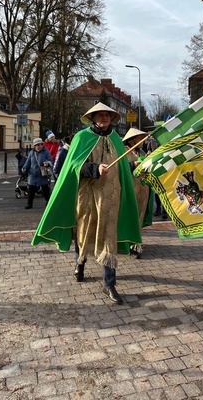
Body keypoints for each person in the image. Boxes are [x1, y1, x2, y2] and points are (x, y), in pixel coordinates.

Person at [31, 103, 141, 305]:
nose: (103, 118)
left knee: (109, 235)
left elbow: (123, 166)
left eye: (107, 115)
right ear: (92, 118)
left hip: (111, 197)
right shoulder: (82, 138)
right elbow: (73, 165)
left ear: (111, 118)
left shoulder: (117, 139)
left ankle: (109, 283)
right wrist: (94, 168)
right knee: (83, 231)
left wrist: (135, 165)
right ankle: (80, 263)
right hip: (87, 195)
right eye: (99, 115)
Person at [122, 127, 154, 258]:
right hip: (130, 189)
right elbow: (120, 167)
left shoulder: (141, 152)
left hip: (143, 190)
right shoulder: (123, 152)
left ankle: (136, 241)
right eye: (140, 138)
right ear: (132, 139)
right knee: (129, 215)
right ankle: (129, 243)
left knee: (139, 216)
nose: (143, 141)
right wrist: (133, 164)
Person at [22, 138, 52, 209]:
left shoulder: (46, 152)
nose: (40, 146)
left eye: (41, 144)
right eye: (37, 145)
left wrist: (48, 163)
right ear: (34, 146)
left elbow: (51, 161)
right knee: (31, 190)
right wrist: (24, 168)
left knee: (45, 190)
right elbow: (28, 162)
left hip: (43, 173)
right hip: (33, 174)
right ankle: (29, 204)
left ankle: (49, 202)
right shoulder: (31, 153)